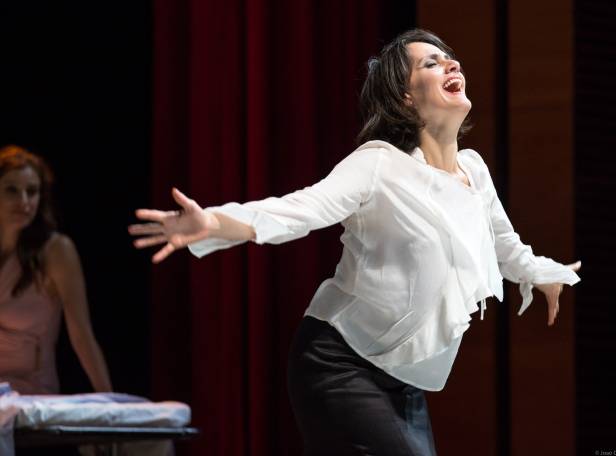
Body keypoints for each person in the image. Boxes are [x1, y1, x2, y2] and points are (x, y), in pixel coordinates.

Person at [129, 29, 581, 455]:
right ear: (405, 97)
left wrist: (542, 274)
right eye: (431, 63)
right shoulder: (378, 165)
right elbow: (298, 210)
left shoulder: (474, 171)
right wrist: (212, 221)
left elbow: (504, 245)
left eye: (449, 58)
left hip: (404, 379)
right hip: (339, 364)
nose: (451, 64)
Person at [0, 144, 112, 395]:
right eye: (12, 190)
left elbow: (82, 335)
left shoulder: (55, 251)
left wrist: (109, 399)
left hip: (30, 395)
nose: (24, 201)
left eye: (32, 191)